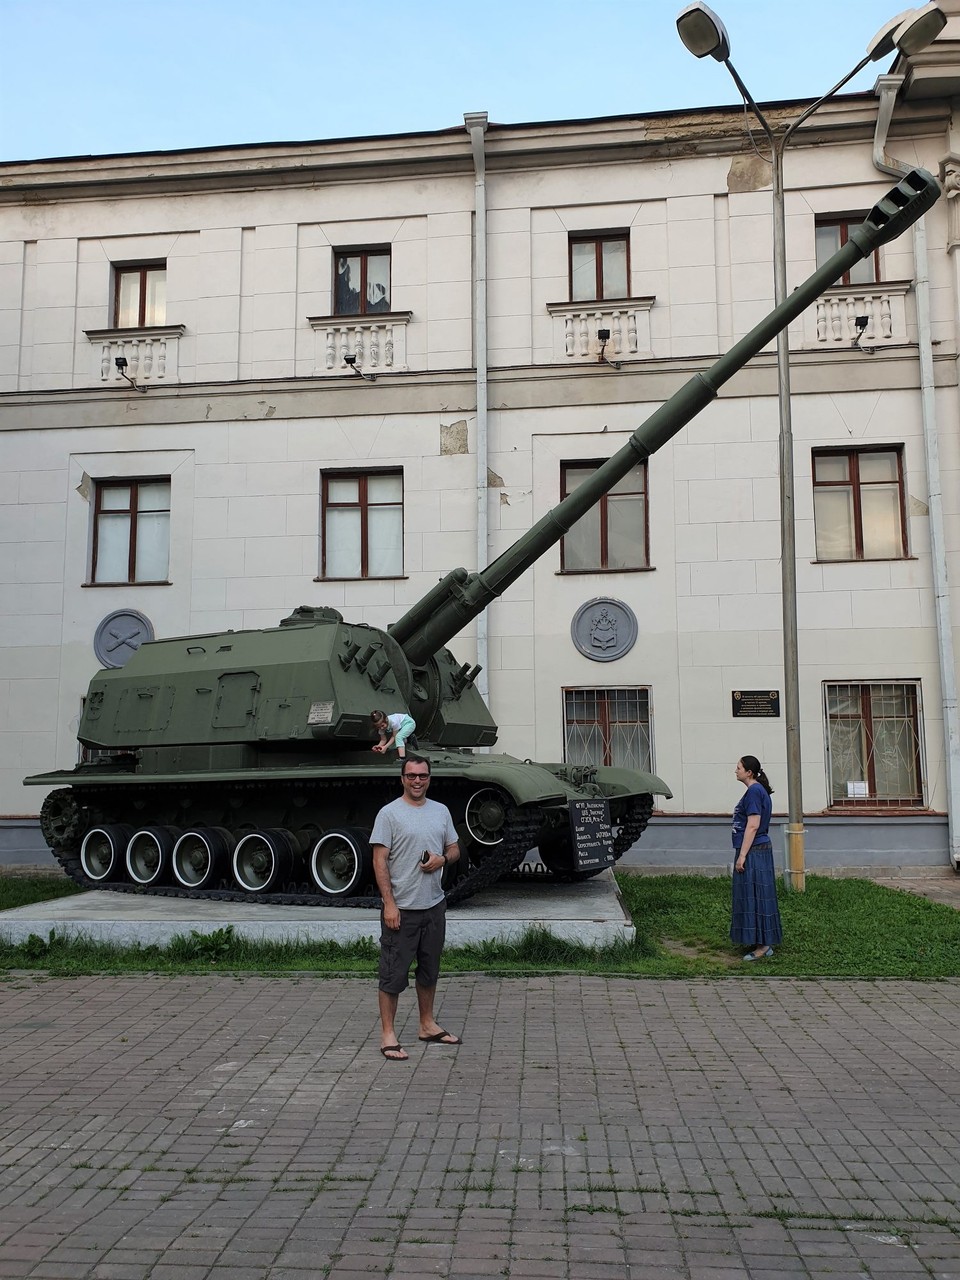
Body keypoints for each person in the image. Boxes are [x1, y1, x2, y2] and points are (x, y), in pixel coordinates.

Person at [371, 755, 461, 1061]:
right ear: (402, 779)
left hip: (433, 905)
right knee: (393, 974)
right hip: (403, 909)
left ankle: (426, 1024)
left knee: (429, 970)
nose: (417, 781)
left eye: (422, 775)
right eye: (411, 776)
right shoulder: (389, 814)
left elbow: (454, 848)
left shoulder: (441, 811)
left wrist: (442, 859)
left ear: (429, 778)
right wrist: (389, 904)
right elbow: (379, 860)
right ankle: (388, 1035)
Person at [730, 755, 782, 961]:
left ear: (749, 772)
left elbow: (752, 825)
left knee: (756, 895)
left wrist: (742, 856)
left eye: (738, 768)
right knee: (756, 894)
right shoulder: (758, 791)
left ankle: (763, 946)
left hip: (754, 850)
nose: (736, 771)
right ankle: (760, 940)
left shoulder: (753, 792)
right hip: (758, 848)